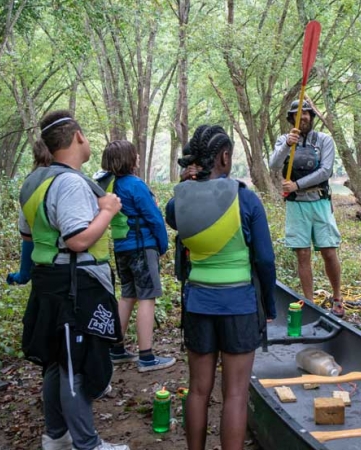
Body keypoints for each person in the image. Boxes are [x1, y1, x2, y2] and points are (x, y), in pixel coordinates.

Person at [18, 110, 129, 450]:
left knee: (56, 358)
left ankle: (56, 435)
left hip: (49, 281)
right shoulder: (69, 182)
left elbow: (27, 235)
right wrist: (108, 211)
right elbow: (78, 239)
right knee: (75, 363)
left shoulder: (34, 181)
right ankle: (88, 443)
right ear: (78, 136)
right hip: (74, 285)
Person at [166, 125, 276, 450]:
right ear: (225, 157)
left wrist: (188, 184)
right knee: (236, 394)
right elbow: (266, 261)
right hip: (239, 306)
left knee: (198, 389)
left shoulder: (177, 203)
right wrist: (268, 305)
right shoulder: (246, 199)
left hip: (198, 303)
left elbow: (175, 218)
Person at [95, 140, 174, 373]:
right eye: (134, 154)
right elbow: (154, 217)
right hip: (142, 247)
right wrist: (162, 245)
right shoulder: (134, 185)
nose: (138, 156)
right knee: (147, 298)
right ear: (128, 159)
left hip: (121, 249)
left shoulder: (109, 186)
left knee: (127, 295)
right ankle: (146, 356)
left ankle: (116, 349)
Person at [268, 97, 344, 316]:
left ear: (311, 117)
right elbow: (274, 164)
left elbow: (325, 171)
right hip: (296, 205)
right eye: (299, 114)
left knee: (329, 251)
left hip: (319, 201)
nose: (304, 118)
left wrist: (296, 184)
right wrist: (287, 145)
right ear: (291, 118)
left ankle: (337, 298)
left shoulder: (324, 140)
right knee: (303, 253)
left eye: (307, 114)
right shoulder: (284, 140)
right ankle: (309, 303)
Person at [7, 141, 53, 285]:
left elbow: (26, 235)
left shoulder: (30, 184)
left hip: (43, 266)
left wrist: (23, 274)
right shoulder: (72, 180)